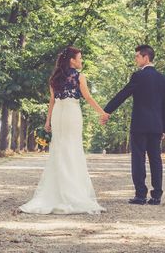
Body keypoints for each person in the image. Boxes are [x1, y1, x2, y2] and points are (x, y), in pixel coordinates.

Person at [19, 46, 107, 214]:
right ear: (72, 60)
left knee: (59, 149)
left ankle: (57, 192)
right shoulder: (80, 77)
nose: (81, 60)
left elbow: (52, 101)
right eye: (79, 58)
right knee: (72, 148)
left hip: (58, 114)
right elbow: (87, 97)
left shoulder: (55, 78)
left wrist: (48, 121)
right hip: (72, 113)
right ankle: (73, 192)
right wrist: (102, 113)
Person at [101, 45, 165, 205]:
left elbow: (123, 94)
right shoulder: (163, 79)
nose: (135, 59)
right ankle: (157, 195)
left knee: (138, 159)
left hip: (139, 124)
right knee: (155, 160)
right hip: (156, 126)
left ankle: (140, 195)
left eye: (137, 56)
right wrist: (164, 128)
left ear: (146, 57)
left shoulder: (138, 76)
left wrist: (106, 111)